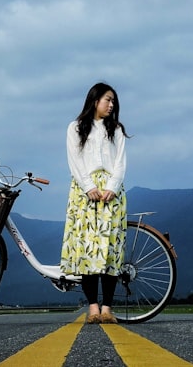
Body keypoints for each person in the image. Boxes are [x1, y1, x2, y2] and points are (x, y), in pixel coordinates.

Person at [60, 82, 129, 324]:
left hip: (112, 192)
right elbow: (75, 160)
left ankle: (108, 308)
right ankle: (92, 308)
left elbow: (120, 162)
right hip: (84, 192)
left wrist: (111, 187)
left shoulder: (117, 129)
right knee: (87, 250)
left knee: (110, 249)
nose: (111, 105)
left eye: (113, 102)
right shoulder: (76, 127)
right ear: (94, 100)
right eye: (107, 100)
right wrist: (88, 186)